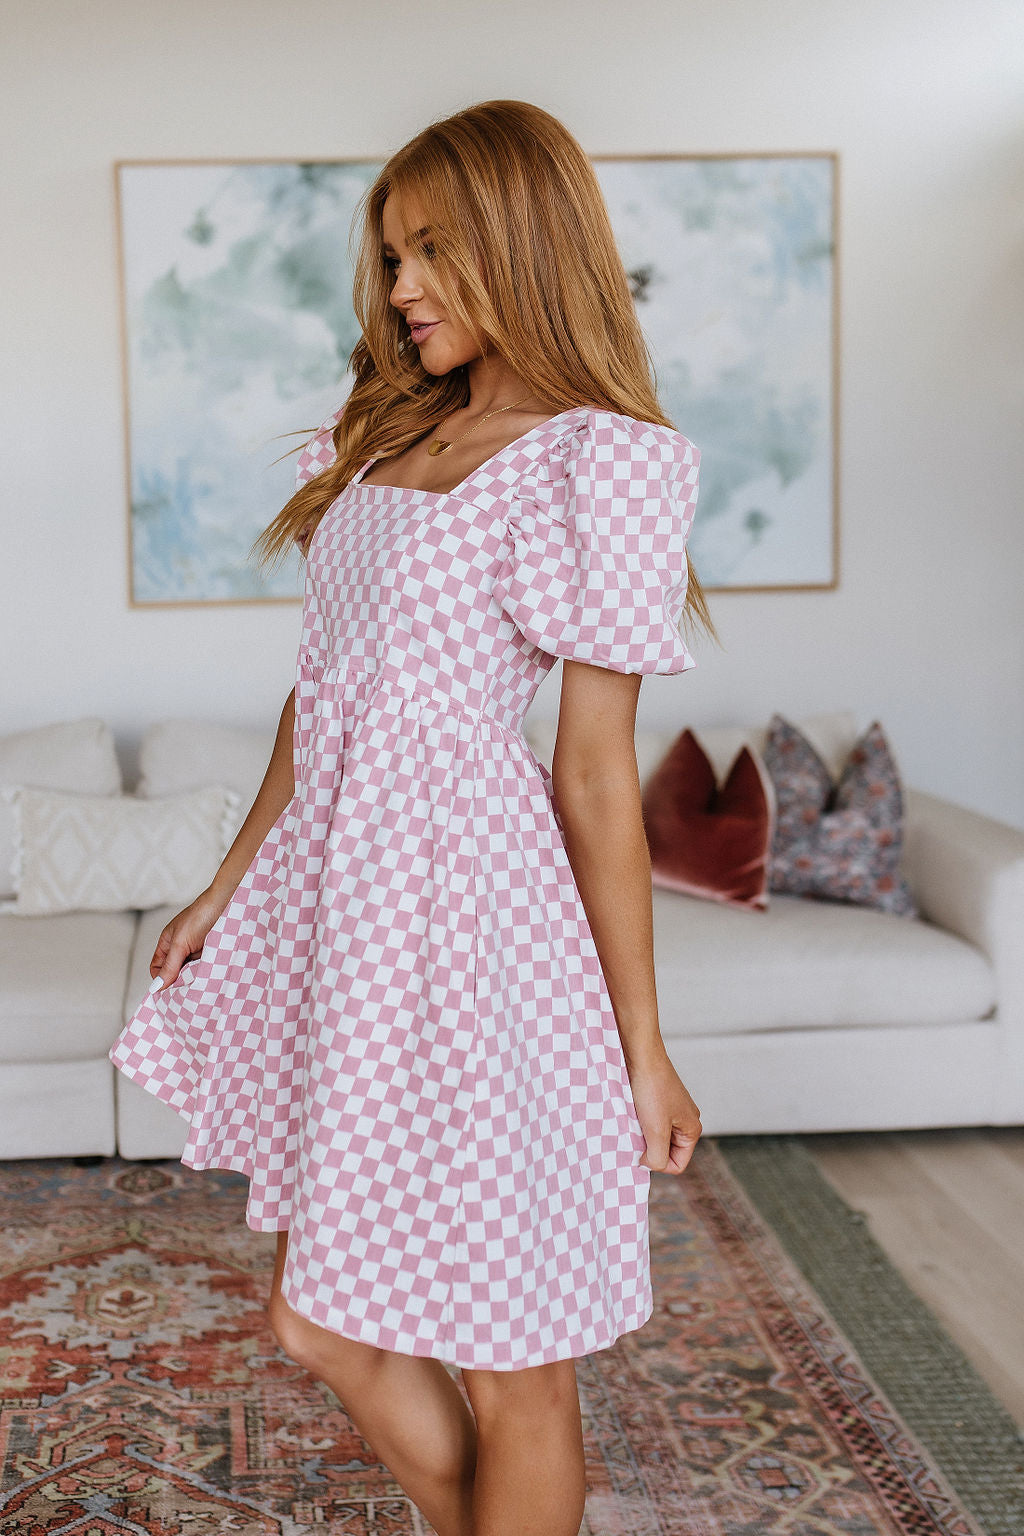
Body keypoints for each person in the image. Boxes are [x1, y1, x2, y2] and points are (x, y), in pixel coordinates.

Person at [110, 98, 716, 1536]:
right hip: (350, 916)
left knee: (515, 1365)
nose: (400, 289)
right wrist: (226, 884)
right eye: (391, 257)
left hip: (475, 926)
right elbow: (319, 699)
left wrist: (642, 1046)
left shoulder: (601, 458)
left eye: (432, 251)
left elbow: (592, 776)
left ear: (523, 241)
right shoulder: (387, 441)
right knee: (320, 1323)